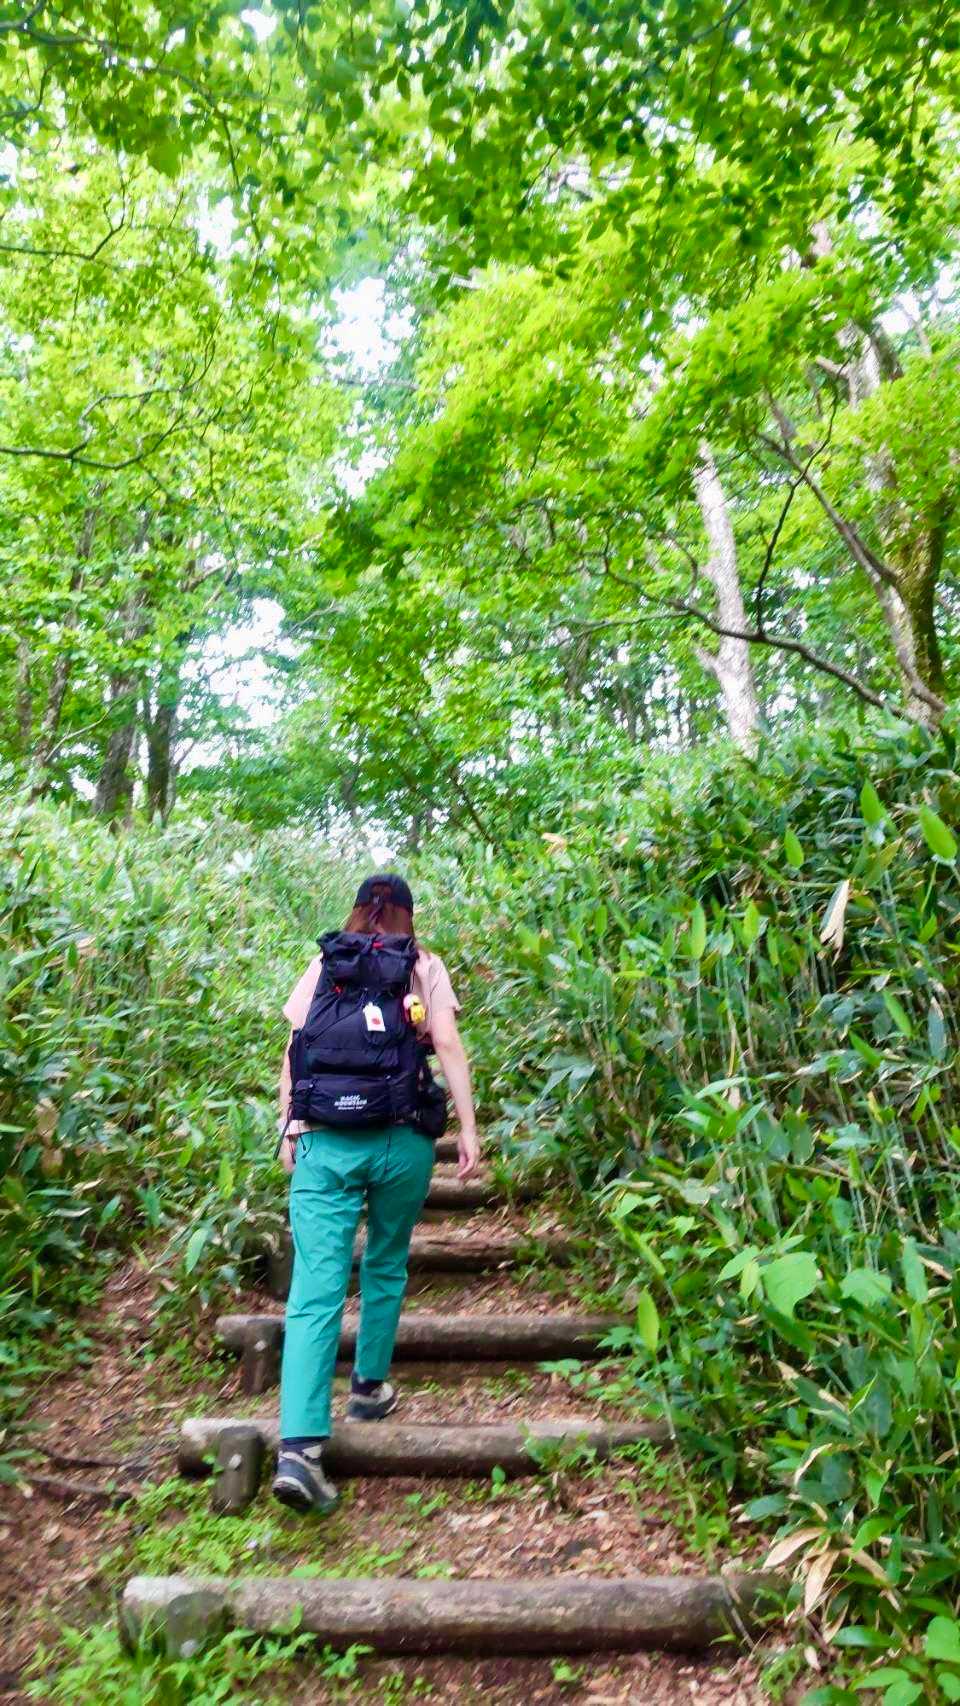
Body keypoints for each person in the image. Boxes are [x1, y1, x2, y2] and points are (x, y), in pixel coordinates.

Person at [271, 873, 479, 1514]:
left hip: (323, 1140)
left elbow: (294, 1050)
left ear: (358, 910)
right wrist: (469, 1129)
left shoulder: (324, 963)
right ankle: (367, 1387)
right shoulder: (424, 964)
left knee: (315, 1287)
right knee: (385, 1261)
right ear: (408, 915)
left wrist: (287, 1125)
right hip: (400, 1140)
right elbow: (446, 1043)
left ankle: (299, 1451)